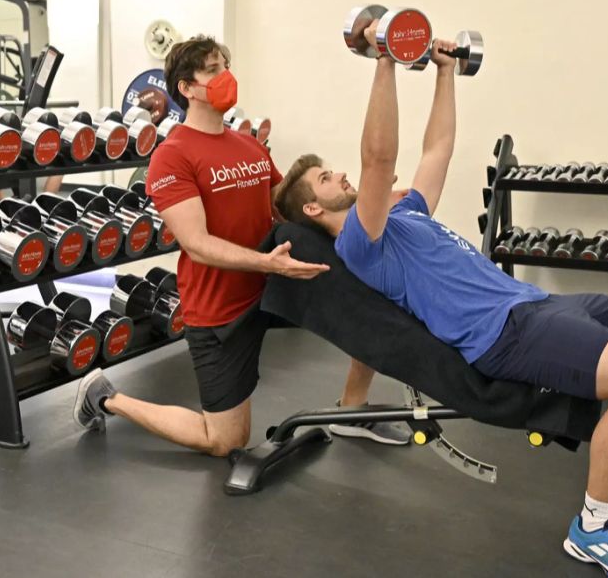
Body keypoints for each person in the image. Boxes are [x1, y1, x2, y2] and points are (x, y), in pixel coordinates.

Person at [274, 23, 608, 578]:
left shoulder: (406, 214)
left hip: (540, 304)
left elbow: (438, 148)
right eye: (323, 178)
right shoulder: (362, 241)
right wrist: (384, 61)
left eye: (330, 167)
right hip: (503, 334)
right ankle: (595, 527)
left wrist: (445, 73)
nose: (336, 173)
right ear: (314, 210)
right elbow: (379, 161)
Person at [73, 35, 410, 456]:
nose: (225, 77)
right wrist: (267, 264)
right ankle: (106, 397)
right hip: (220, 308)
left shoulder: (248, 144)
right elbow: (196, 244)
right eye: (213, 70)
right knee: (226, 441)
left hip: (271, 283)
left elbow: (293, 209)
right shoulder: (171, 156)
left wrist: (369, 202)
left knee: (368, 291)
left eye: (225, 67)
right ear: (186, 88)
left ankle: (355, 407)